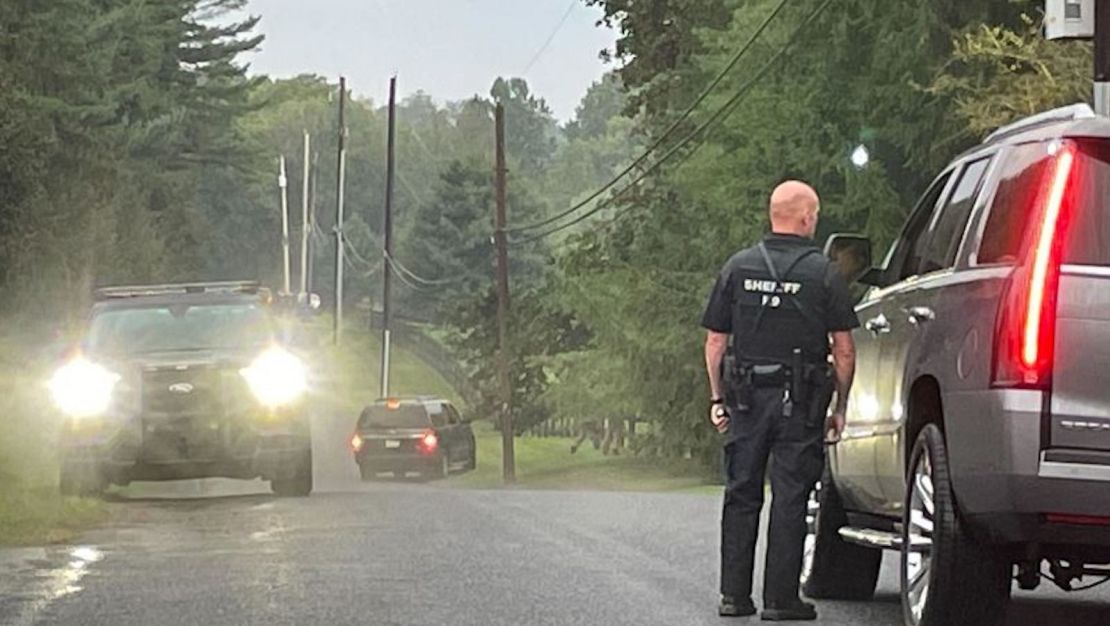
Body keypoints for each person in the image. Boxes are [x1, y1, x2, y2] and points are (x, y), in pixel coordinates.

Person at [701, 180, 858, 621]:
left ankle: (733, 596)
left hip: (746, 400)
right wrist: (839, 407)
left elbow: (716, 341)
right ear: (806, 218)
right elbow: (843, 349)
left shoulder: (737, 266)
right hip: (801, 403)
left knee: (742, 492)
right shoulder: (824, 273)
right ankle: (780, 601)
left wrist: (718, 398)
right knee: (791, 495)